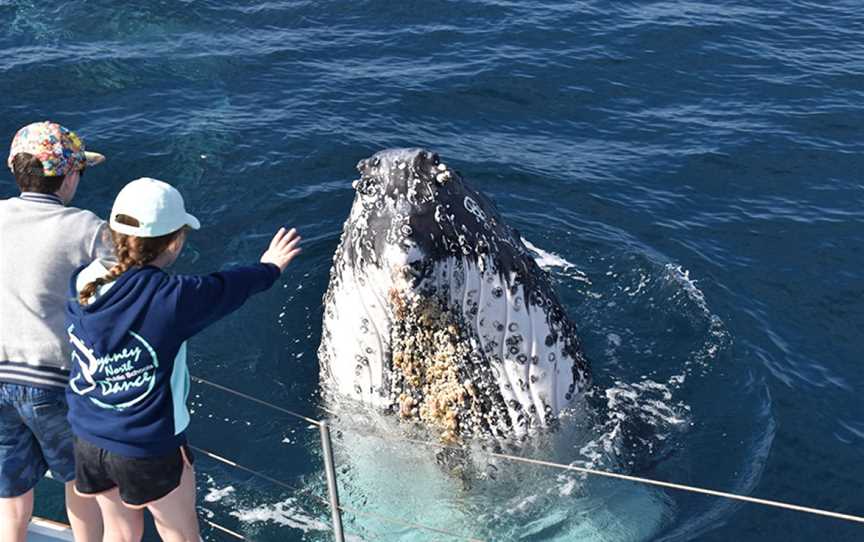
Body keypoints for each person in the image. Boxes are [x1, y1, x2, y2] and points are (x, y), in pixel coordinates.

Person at [65, 177, 301, 541]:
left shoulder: (84, 280)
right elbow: (229, 286)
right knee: (180, 534)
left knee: (119, 532)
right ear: (174, 242)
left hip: (88, 436)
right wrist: (270, 266)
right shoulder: (173, 297)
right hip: (147, 445)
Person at [0, 121, 106, 542]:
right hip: (54, 381)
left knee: (11, 491)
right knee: (81, 483)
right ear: (70, 175)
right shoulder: (85, 227)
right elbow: (133, 278)